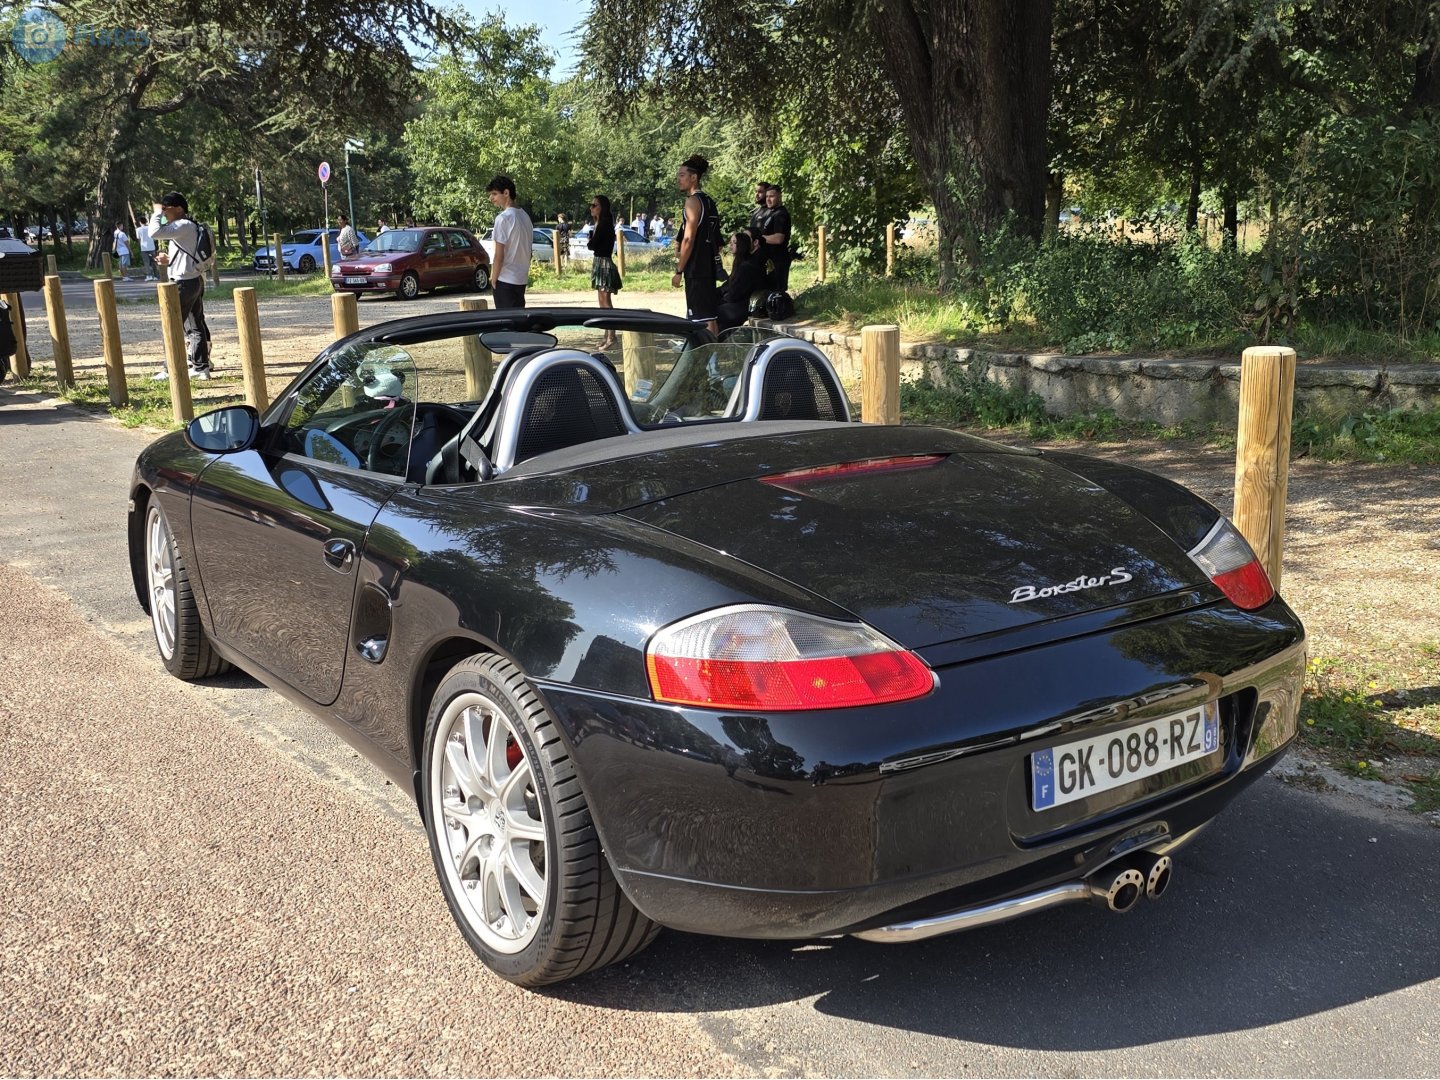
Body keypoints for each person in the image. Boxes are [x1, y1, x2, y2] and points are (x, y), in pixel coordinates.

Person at [148, 191, 213, 381]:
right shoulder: (186, 227)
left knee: (173, 326)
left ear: (179, 209)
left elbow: (153, 231)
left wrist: (156, 212)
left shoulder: (182, 224)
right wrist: (168, 260)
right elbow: (185, 254)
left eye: (167, 209)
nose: (164, 213)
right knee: (195, 325)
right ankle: (201, 367)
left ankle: (170, 368)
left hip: (183, 283)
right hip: (193, 280)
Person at [671, 154, 722, 335]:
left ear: (694, 177)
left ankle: (707, 358)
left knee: (700, 318)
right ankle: (712, 357)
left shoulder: (692, 201)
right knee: (710, 316)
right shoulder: (709, 201)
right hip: (709, 267)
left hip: (696, 269)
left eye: (682, 175)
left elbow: (688, 239)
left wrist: (679, 270)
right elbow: (719, 242)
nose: (679, 179)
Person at [486, 174, 533, 309]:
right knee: (518, 324)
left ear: (506, 193)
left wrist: (493, 279)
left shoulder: (503, 218)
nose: (491, 198)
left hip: (505, 280)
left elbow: (499, 256)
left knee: (506, 324)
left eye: (494, 194)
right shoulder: (525, 216)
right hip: (520, 279)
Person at [586, 196, 622, 348]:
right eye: (591, 205)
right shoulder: (600, 224)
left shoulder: (604, 224)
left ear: (602, 208)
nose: (591, 208)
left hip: (604, 263)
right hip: (600, 262)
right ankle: (607, 335)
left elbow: (592, 245)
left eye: (595, 205)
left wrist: (592, 238)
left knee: (605, 302)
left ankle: (612, 336)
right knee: (602, 301)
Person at [717, 228, 766, 332]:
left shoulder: (746, 266)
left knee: (711, 310)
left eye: (734, 242)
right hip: (739, 302)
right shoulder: (740, 262)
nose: (731, 245)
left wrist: (721, 299)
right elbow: (729, 284)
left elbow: (735, 292)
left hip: (743, 305)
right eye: (730, 242)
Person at [760, 184, 793, 291]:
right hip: (769, 260)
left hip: (778, 259)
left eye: (772, 196)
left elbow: (779, 238)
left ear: (779, 196)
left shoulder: (781, 214)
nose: (768, 200)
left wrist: (758, 238)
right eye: (767, 197)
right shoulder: (771, 212)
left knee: (778, 291)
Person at [137, 215, 157, 281]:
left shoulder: (138, 229)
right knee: (153, 262)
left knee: (146, 262)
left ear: (140, 222)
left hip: (144, 247)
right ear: (146, 221)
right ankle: (155, 275)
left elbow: (139, 239)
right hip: (151, 246)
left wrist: (140, 246)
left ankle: (149, 275)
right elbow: (154, 237)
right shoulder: (150, 228)